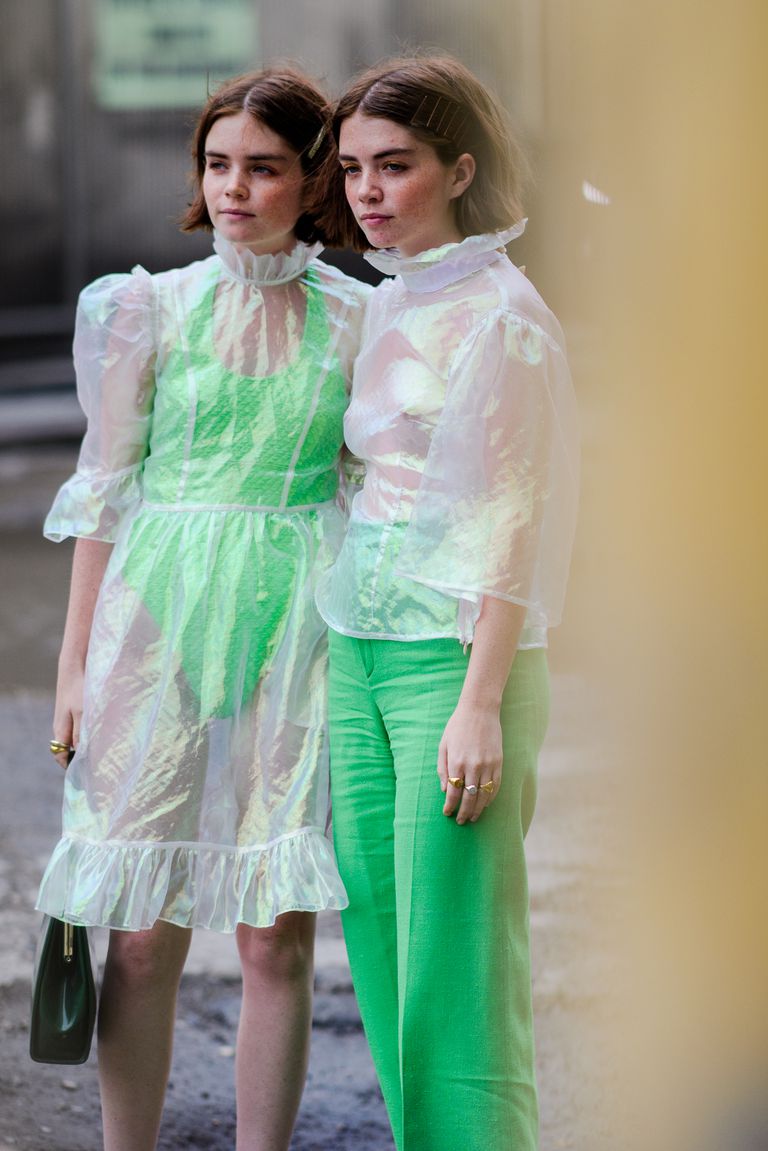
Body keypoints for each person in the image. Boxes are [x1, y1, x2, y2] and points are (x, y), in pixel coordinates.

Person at [37, 67, 369, 1151]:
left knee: (277, 932)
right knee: (141, 931)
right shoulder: (147, 308)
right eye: (217, 164)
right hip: (157, 609)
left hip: (299, 615)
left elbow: (379, 486)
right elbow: (103, 492)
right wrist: (74, 666)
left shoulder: (361, 319)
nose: (232, 188)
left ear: (312, 181)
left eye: (262, 168)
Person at [314, 55, 580, 1151]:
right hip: (358, 649)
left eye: (395, 165)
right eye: (352, 169)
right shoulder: (389, 299)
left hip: (455, 663)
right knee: (380, 939)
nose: (368, 191)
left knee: (457, 960)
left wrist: (479, 701)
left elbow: (515, 517)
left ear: (461, 169)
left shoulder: (503, 315)